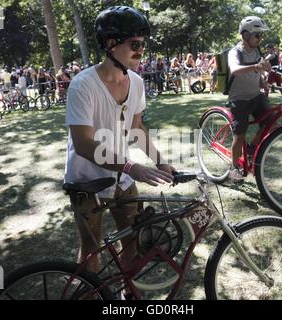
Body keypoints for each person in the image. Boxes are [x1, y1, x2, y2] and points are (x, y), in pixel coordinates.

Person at [64, 5, 174, 299]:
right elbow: (84, 143)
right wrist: (130, 167)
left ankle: (126, 295)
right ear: (111, 44)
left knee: (133, 242)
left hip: (122, 180)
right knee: (91, 251)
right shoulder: (82, 85)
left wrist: (162, 162)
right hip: (87, 183)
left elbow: (136, 129)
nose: (141, 52)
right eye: (135, 45)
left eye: (142, 45)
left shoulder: (136, 82)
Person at [227, 16, 272, 183]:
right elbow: (236, 70)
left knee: (270, 121)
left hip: (256, 96)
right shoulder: (235, 52)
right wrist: (256, 67)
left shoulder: (256, 51)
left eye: (261, 35)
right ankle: (233, 167)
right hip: (239, 99)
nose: (260, 38)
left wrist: (263, 82)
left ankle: (252, 148)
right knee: (239, 136)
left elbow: (257, 72)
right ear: (246, 35)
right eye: (257, 35)